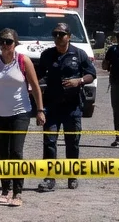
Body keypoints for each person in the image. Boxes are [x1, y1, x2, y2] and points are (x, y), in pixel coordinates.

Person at [0, 28, 44, 205]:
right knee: (2, 153)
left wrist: (40, 110)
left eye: (8, 42)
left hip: (20, 113)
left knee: (16, 152)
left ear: (15, 43)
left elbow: (35, 87)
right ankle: (5, 190)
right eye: (1, 42)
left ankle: (17, 193)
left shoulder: (23, 61)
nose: (4, 45)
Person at [34, 23, 96, 192]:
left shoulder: (79, 54)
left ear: (69, 36)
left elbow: (92, 74)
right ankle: (49, 178)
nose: (58, 37)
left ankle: (72, 175)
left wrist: (80, 81)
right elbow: (37, 76)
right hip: (52, 106)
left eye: (61, 34)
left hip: (72, 107)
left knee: (73, 142)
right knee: (49, 142)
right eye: (55, 34)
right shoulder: (47, 55)